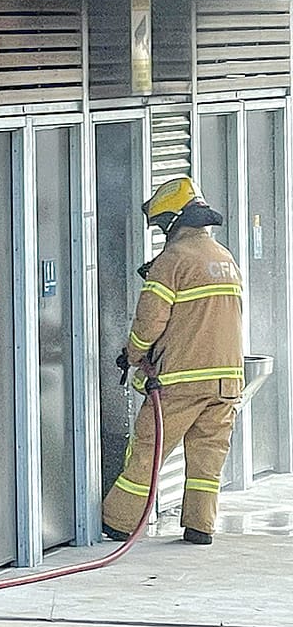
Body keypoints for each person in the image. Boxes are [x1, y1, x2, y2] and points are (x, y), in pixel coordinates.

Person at [101, 176, 246, 546]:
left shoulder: (173, 261)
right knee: (207, 460)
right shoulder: (224, 258)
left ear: (173, 221)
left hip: (181, 381)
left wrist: (132, 355)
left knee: (148, 450)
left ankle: (118, 522)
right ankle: (200, 526)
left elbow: (150, 323)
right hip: (228, 382)